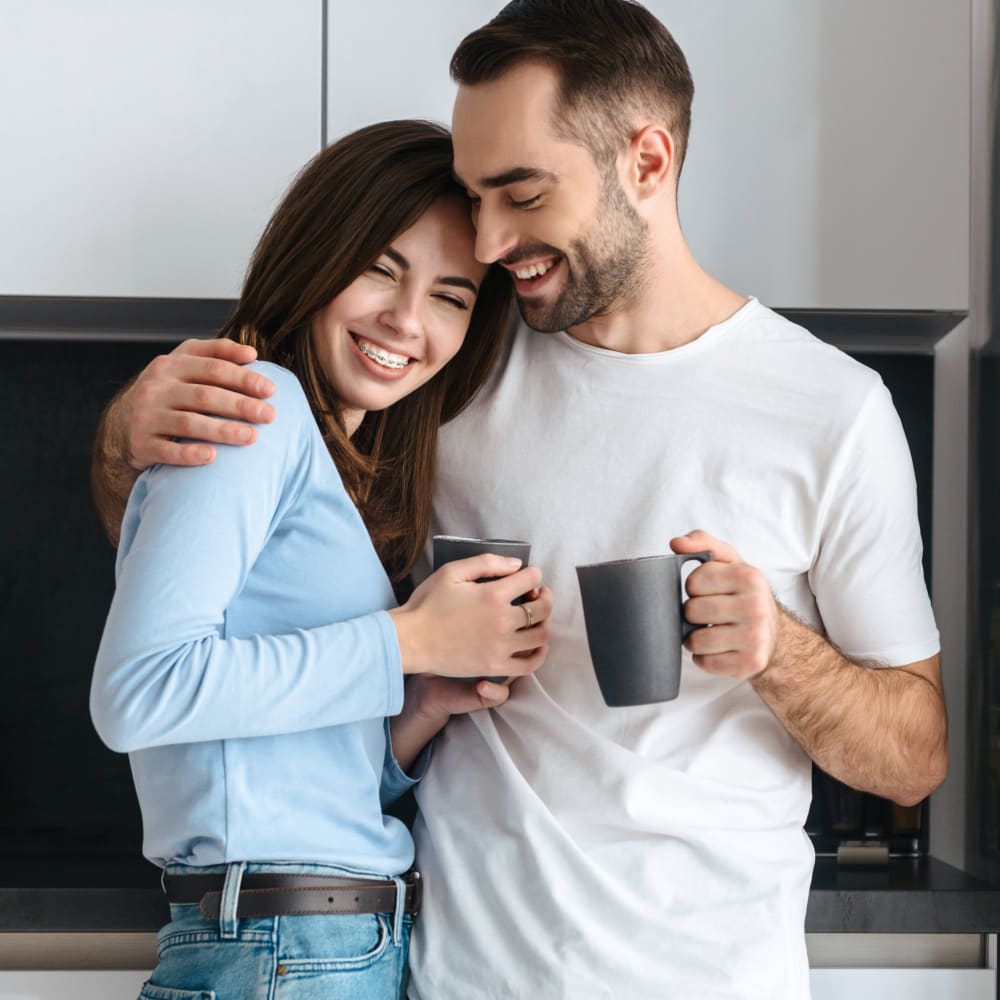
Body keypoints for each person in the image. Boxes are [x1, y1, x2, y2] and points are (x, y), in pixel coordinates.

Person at [91, 3, 948, 998]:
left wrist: (778, 650)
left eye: (520, 192)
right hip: (448, 972)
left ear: (647, 161)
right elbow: (216, 576)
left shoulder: (830, 410)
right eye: (472, 195)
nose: (489, 241)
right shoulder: (443, 372)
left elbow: (913, 755)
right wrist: (128, 433)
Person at [89, 118, 554, 1000]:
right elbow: (138, 693)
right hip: (282, 944)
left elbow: (277, 779)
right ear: (316, 249)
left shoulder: (320, 454)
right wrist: (405, 642)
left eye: (452, 296)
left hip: (320, 941)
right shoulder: (256, 408)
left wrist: (416, 707)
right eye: (381, 267)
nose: (407, 321)